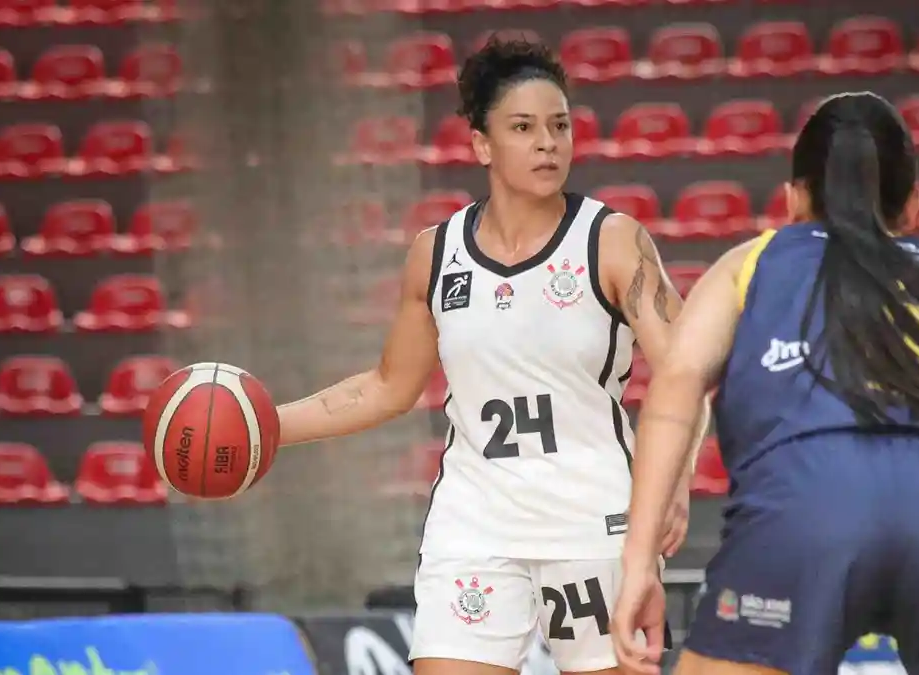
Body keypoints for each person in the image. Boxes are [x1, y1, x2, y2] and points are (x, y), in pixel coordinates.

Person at [610, 92, 919, 675]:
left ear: (793, 198)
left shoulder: (753, 263)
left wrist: (639, 562)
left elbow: (676, 386)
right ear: (914, 207)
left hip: (807, 510)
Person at [274, 37, 707, 675]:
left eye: (560, 126)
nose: (548, 143)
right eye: (524, 127)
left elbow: (686, 369)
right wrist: (266, 427)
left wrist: (677, 481)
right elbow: (390, 386)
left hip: (592, 517)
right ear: (481, 144)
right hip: (475, 522)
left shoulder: (612, 242)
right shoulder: (436, 252)